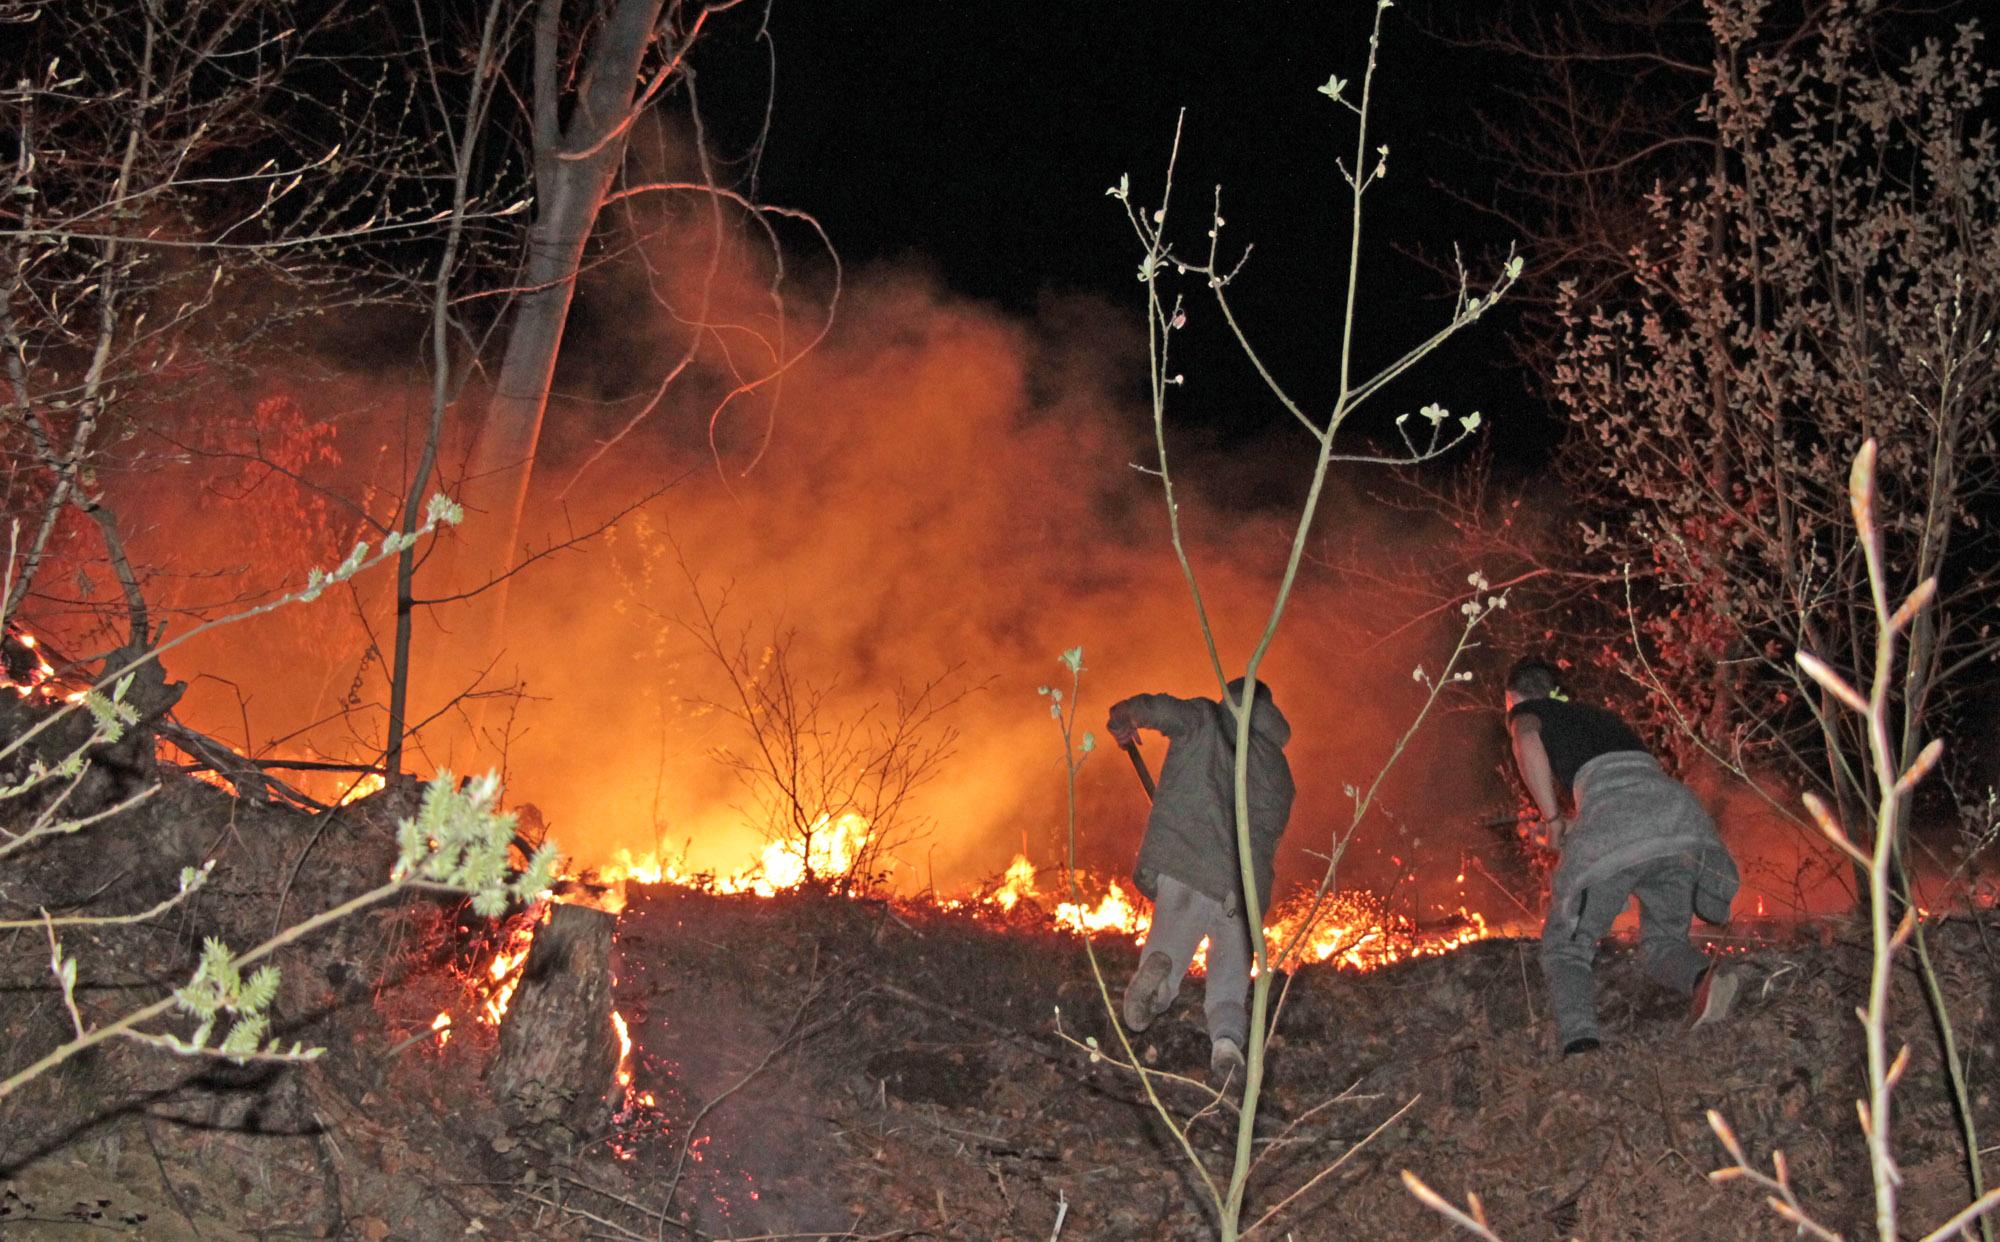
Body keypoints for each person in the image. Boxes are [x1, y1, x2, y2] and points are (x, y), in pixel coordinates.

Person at [1504, 656, 1740, 1055]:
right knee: (1663, 943)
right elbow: (1629, 799)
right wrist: (1569, 826)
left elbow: (1526, 738)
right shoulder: (1601, 720)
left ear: (1513, 697)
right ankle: (1704, 981)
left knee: (1565, 947)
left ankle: (1581, 1046)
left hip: (1620, 822)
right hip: (1679, 820)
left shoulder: (1528, 711)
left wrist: (1553, 818)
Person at [1106, 676, 1295, 1083]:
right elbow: (1270, 834)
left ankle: (1160, 978)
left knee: (1171, 937)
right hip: (1242, 889)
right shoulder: (1281, 772)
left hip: (1186, 864)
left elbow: (1163, 708)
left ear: (1230, 698)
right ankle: (1226, 1042)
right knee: (1230, 972)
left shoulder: (1206, 719)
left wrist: (1127, 714)